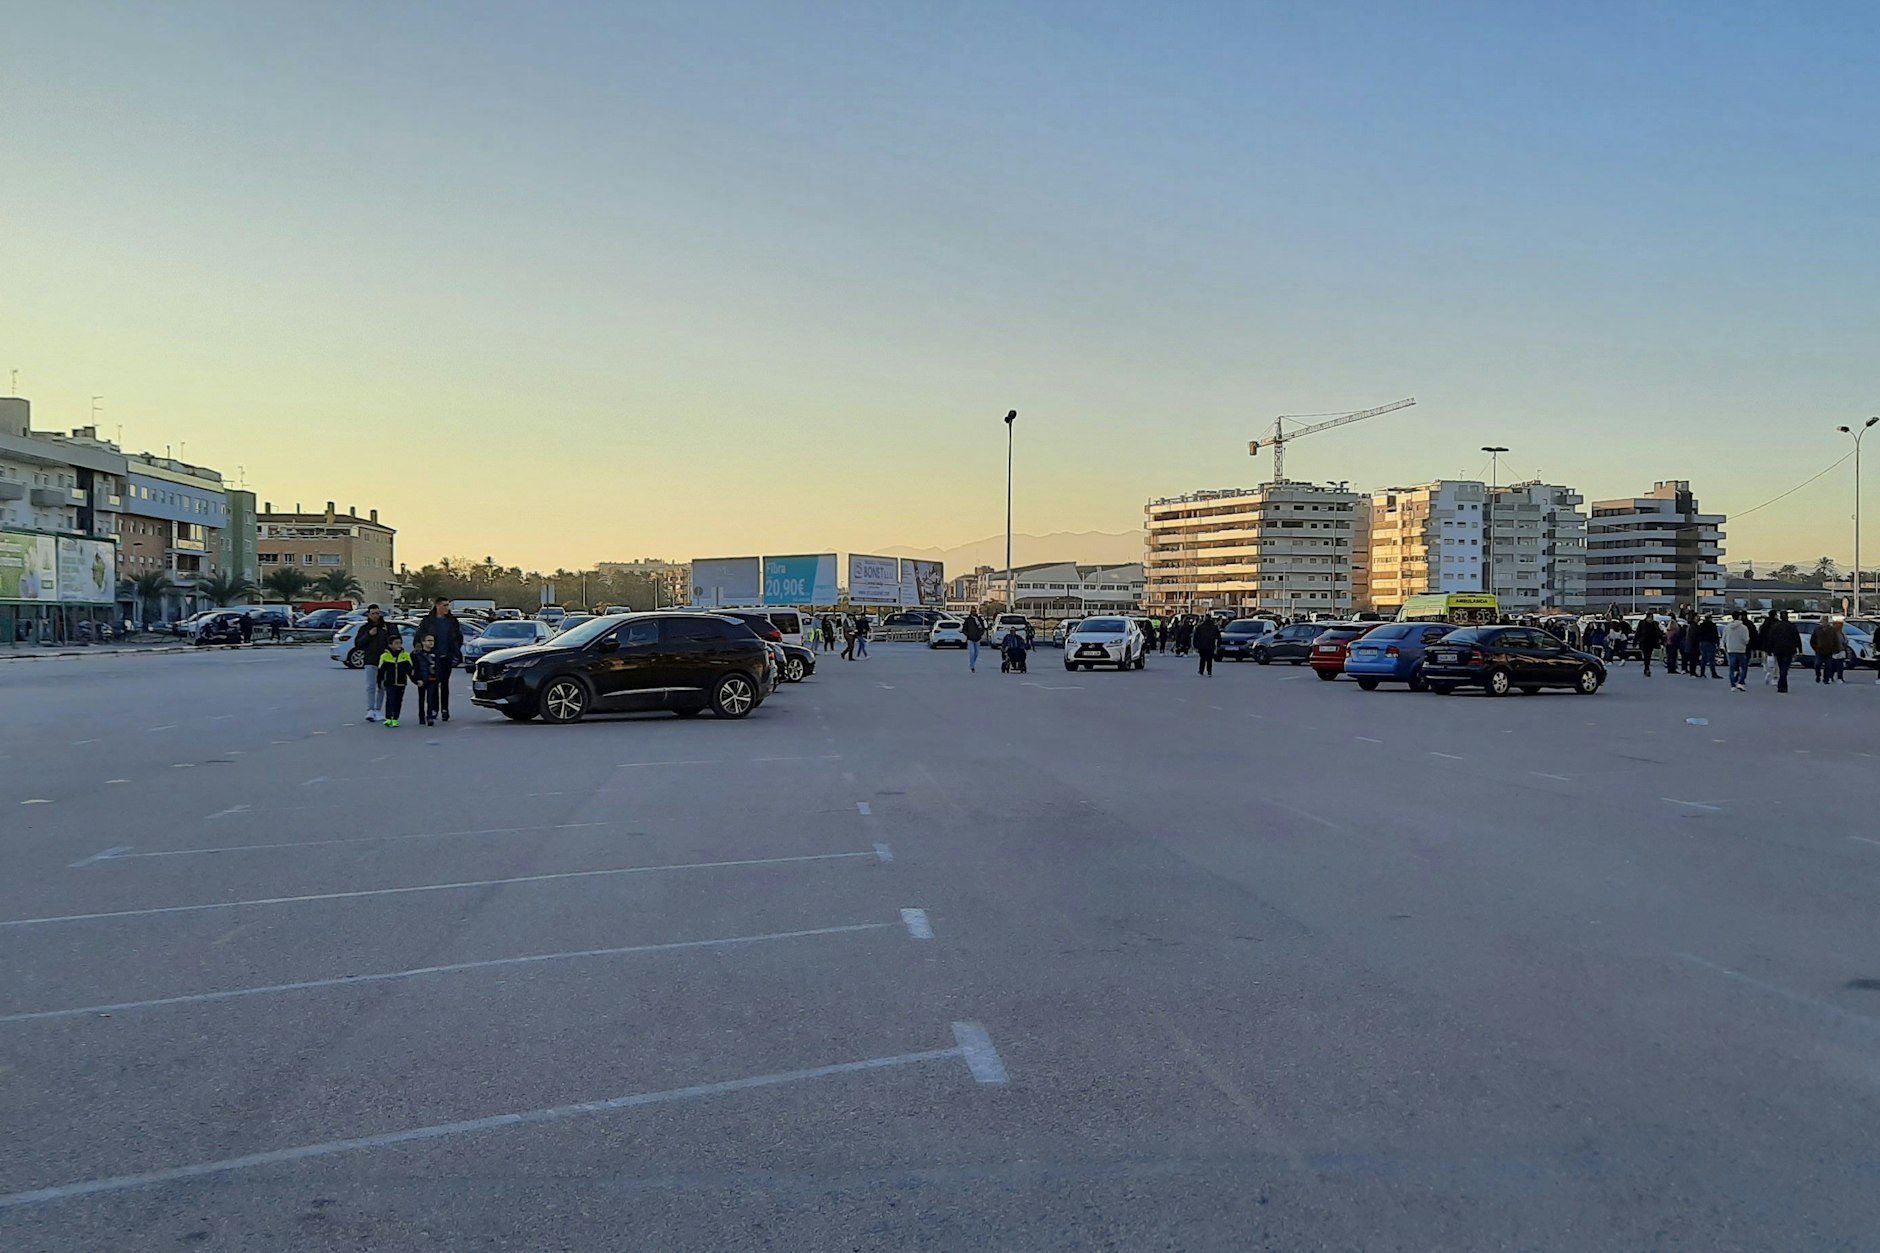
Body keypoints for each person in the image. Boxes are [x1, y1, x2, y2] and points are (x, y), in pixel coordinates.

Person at [414, 599, 466, 721]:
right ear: (437, 606)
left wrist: (455, 651)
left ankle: (445, 709)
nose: (447, 607)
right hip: (432, 657)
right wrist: (421, 651)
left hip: (446, 656)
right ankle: (434, 709)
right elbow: (419, 636)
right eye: (444, 605)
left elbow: (458, 637)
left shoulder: (452, 621)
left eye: (448, 605)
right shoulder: (428, 621)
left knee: (445, 683)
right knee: (433, 684)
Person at [355, 606, 398, 722]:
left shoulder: (387, 627)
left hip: (385, 661)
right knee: (370, 686)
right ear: (369, 615)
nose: (376, 616)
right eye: (373, 613)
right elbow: (358, 644)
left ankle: (378, 710)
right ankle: (370, 709)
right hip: (371, 660)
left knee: (382, 686)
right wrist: (369, 635)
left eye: (377, 613)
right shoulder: (365, 628)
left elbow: (396, 641)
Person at [377, 631, 415, 728]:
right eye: (396, 643)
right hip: (389, 682)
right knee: (390, 700)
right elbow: (380, 671)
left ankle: (395, 719)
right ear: (390, 644)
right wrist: (379, 682)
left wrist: (415, 680)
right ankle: (388, 718)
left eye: (400, 643)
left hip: (401, 682)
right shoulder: (384, 656)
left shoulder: (405, 655)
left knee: (398, 701)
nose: (399, 645)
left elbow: (410, 670)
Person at [1760, 610, 1802, 693]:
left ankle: (1781, 685)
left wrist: (1769, 649)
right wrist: (1799, 649)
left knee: (1781, 666)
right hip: (1789, 650)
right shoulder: (1792, 626)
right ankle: (1782, 685)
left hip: (1778, 650)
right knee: (1785, 668)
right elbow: (1797, 638)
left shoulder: (1775, 626)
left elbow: (1771, 638)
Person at [413, 631, 442, 726]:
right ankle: (421, 716)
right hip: (422, 679)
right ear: (423, 642)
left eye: (432, 641)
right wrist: (417, 679)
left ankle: (430, 716)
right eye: (428, 640)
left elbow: (438, 667)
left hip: (432, 679)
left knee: (430, 698)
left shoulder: (435, 654)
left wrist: (438, 678)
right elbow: (415, 669)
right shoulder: (417, 655)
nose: (431, 643)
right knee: (421, 698)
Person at [1721, 611, 1753, 692]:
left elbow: (1723, 639)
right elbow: (1746, 640)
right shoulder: (1744, 628)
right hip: (1741, 650)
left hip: (1731, 649)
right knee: (1743, 667)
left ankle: (1732, 685)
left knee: (1731, 668)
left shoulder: (1727, 627)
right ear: (1739, 617)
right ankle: (1741, 682)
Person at [1810, 616, 1844, 685]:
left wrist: (1836, 649)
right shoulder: (1817, 630)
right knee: (1817, 664)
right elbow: (1812, 640)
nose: (1825, 622)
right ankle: (1818, 675)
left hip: (1829, 651)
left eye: (1826, 620)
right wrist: (1815, 648)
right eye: (1823, 620)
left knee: (1828, 666)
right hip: (1819, 651)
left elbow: (1835, 640)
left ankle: (1826, 679)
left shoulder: (1831, 630)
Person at [1695, 614, 1721, 679]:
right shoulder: (1712, 625)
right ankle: (1713, 673)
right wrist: (1718, 644)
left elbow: (1698, 634)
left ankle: (1702, 673)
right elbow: (1716, 635)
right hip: (1710, 643)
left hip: (1702, 643)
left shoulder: (1701, 625)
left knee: (1703, 658)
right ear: (1710, 618)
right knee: (1711, 659)